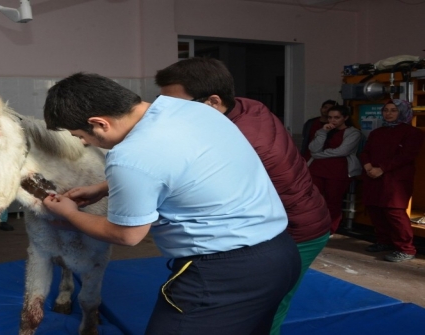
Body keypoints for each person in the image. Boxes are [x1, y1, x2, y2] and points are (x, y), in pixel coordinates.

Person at [42, 72, 301, 335]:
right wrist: (105, 188)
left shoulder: (129, 156)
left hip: (226, 272)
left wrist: (69, 213)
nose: (84, 142)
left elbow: (127, 234)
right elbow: (189, 163)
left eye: (79, 135)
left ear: (99, 123)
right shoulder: (193, 109)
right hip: (280, 255)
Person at [154, 57, 331, 335]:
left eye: (178, 107)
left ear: (213, 101)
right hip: (294, 215)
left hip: (300, 229)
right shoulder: (246, 106)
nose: (168, 114)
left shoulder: (242, 141)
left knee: (266, 306)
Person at [359, 99, 424, 262]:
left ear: (402, 112)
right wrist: (368, 167)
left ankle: (406, 249)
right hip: (372, 176)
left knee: (394, 212)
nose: (388, 113)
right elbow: (365, 151)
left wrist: (381, 168)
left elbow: (405, 156)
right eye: (386, 110)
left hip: (396, 180)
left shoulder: (413, 133)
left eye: (393, 110)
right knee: (375, 209)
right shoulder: (377, 132)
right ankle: (384, 241)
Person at [308, 105, 362, 235]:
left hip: (338, 170)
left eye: (337, 117)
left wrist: (319, 154)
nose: (333, 120)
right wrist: (323, 132)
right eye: (330, 117)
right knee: (313, 199)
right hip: (317, 169)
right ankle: (312, 227)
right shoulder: (323, 130)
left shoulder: (353, 133)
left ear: (345, 118)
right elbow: (313, 148)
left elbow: (342, 151)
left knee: (333, 201)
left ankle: (330, 229)